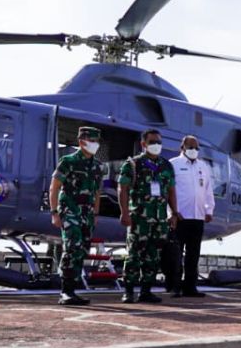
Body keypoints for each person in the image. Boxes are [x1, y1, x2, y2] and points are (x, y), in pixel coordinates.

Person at [117, 129, 178, 304]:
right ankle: (128, 291)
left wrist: (174, 212)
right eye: (152, 142)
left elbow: (171, 191)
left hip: (159, 220)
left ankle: (146, 291)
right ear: (144, 144)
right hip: (139, 218)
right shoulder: (133, 164)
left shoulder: (166, 166)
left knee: (153, 256)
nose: (156, 145)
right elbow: (123, 189)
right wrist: (124, 212)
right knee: (134, 255)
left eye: (159, 142)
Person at [49, 126, 105, 306]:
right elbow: (54, 187)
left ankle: (73, 290)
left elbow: (97, 192)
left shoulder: (97, 166)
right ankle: (65, 291)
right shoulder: (68, 161)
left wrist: (95, 213)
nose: (95, 145)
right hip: (70, 211)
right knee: (72, 247)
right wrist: (54, 212)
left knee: (82, 250)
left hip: (87, 214)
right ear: (82, 142)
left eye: (97, 141)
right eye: (92, 141)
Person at [167, 135, 215, 298]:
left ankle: (190, 287)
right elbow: (168, 190)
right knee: (175, 253)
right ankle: (175, 286)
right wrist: (171, 212)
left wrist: (209, 210)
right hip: (179, 216)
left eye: (196, 147)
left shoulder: (203, 166)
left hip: (198, 216)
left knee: (193, 254)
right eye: (191, 147)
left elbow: (208, 190)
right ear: (183, 147)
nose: (194, 150)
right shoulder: (174, 164)